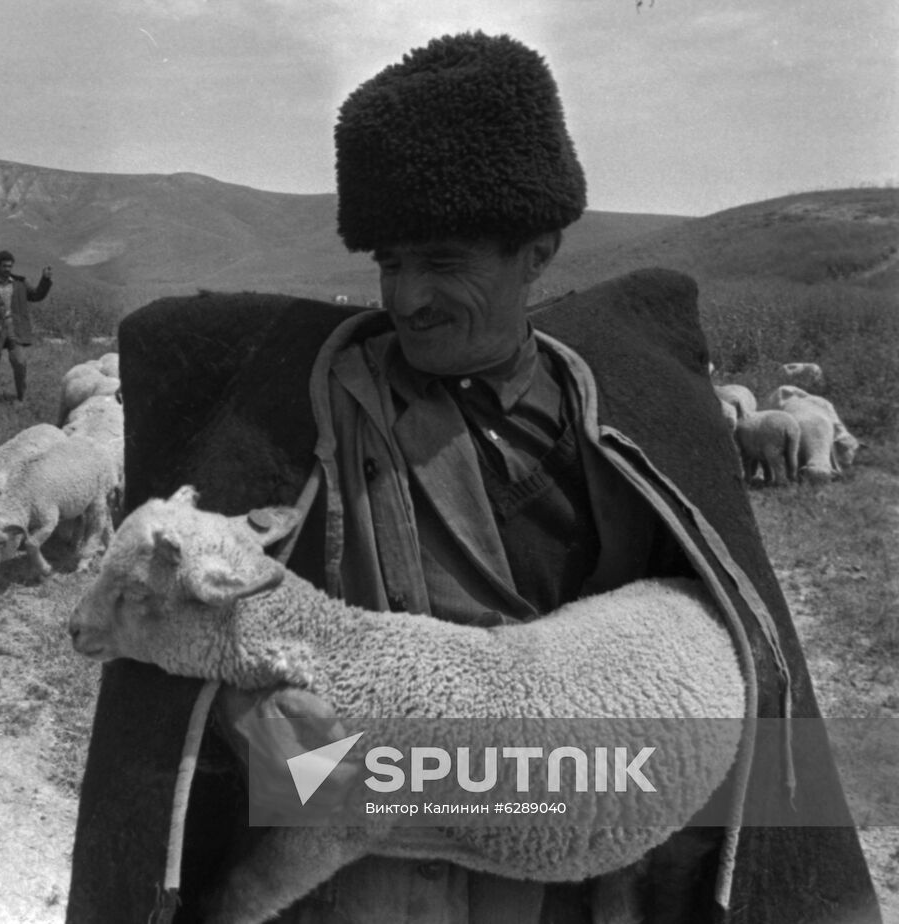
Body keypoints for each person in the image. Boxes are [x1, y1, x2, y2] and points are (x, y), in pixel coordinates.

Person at [68, 32, 878, 924]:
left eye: (444, 262)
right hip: (356, 885)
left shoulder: (627, 427)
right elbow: (212, 686)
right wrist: (310, 759)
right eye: (388, 261)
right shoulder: (304, 424)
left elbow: (720, 672)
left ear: (539, 251)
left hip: (567, 874)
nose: (406, 296)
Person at [0, 250, 52, 401]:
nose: (8, 269)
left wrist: (45, 280)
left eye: (10, 266)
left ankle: (21, 397)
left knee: (20, 361)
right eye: (4, 266)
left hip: (15, 328)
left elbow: (36, 295)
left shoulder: (20, 283)